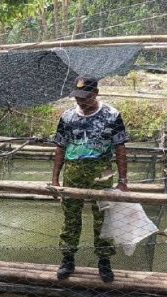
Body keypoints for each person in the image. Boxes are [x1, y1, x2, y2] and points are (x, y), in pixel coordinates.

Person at [51, 76, 129, 282]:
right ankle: (67, 260)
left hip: (102, 174)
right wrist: (55, 180)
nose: (81, 101)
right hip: (73, 174)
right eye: (77, 97)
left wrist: (123, 181)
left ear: (96, 93)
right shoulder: (67, 117)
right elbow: (60, 148)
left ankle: (104, 262)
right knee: (71, 219)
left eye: (85, 97)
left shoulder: (112, 116)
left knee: (103, 219)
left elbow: (120, 148)